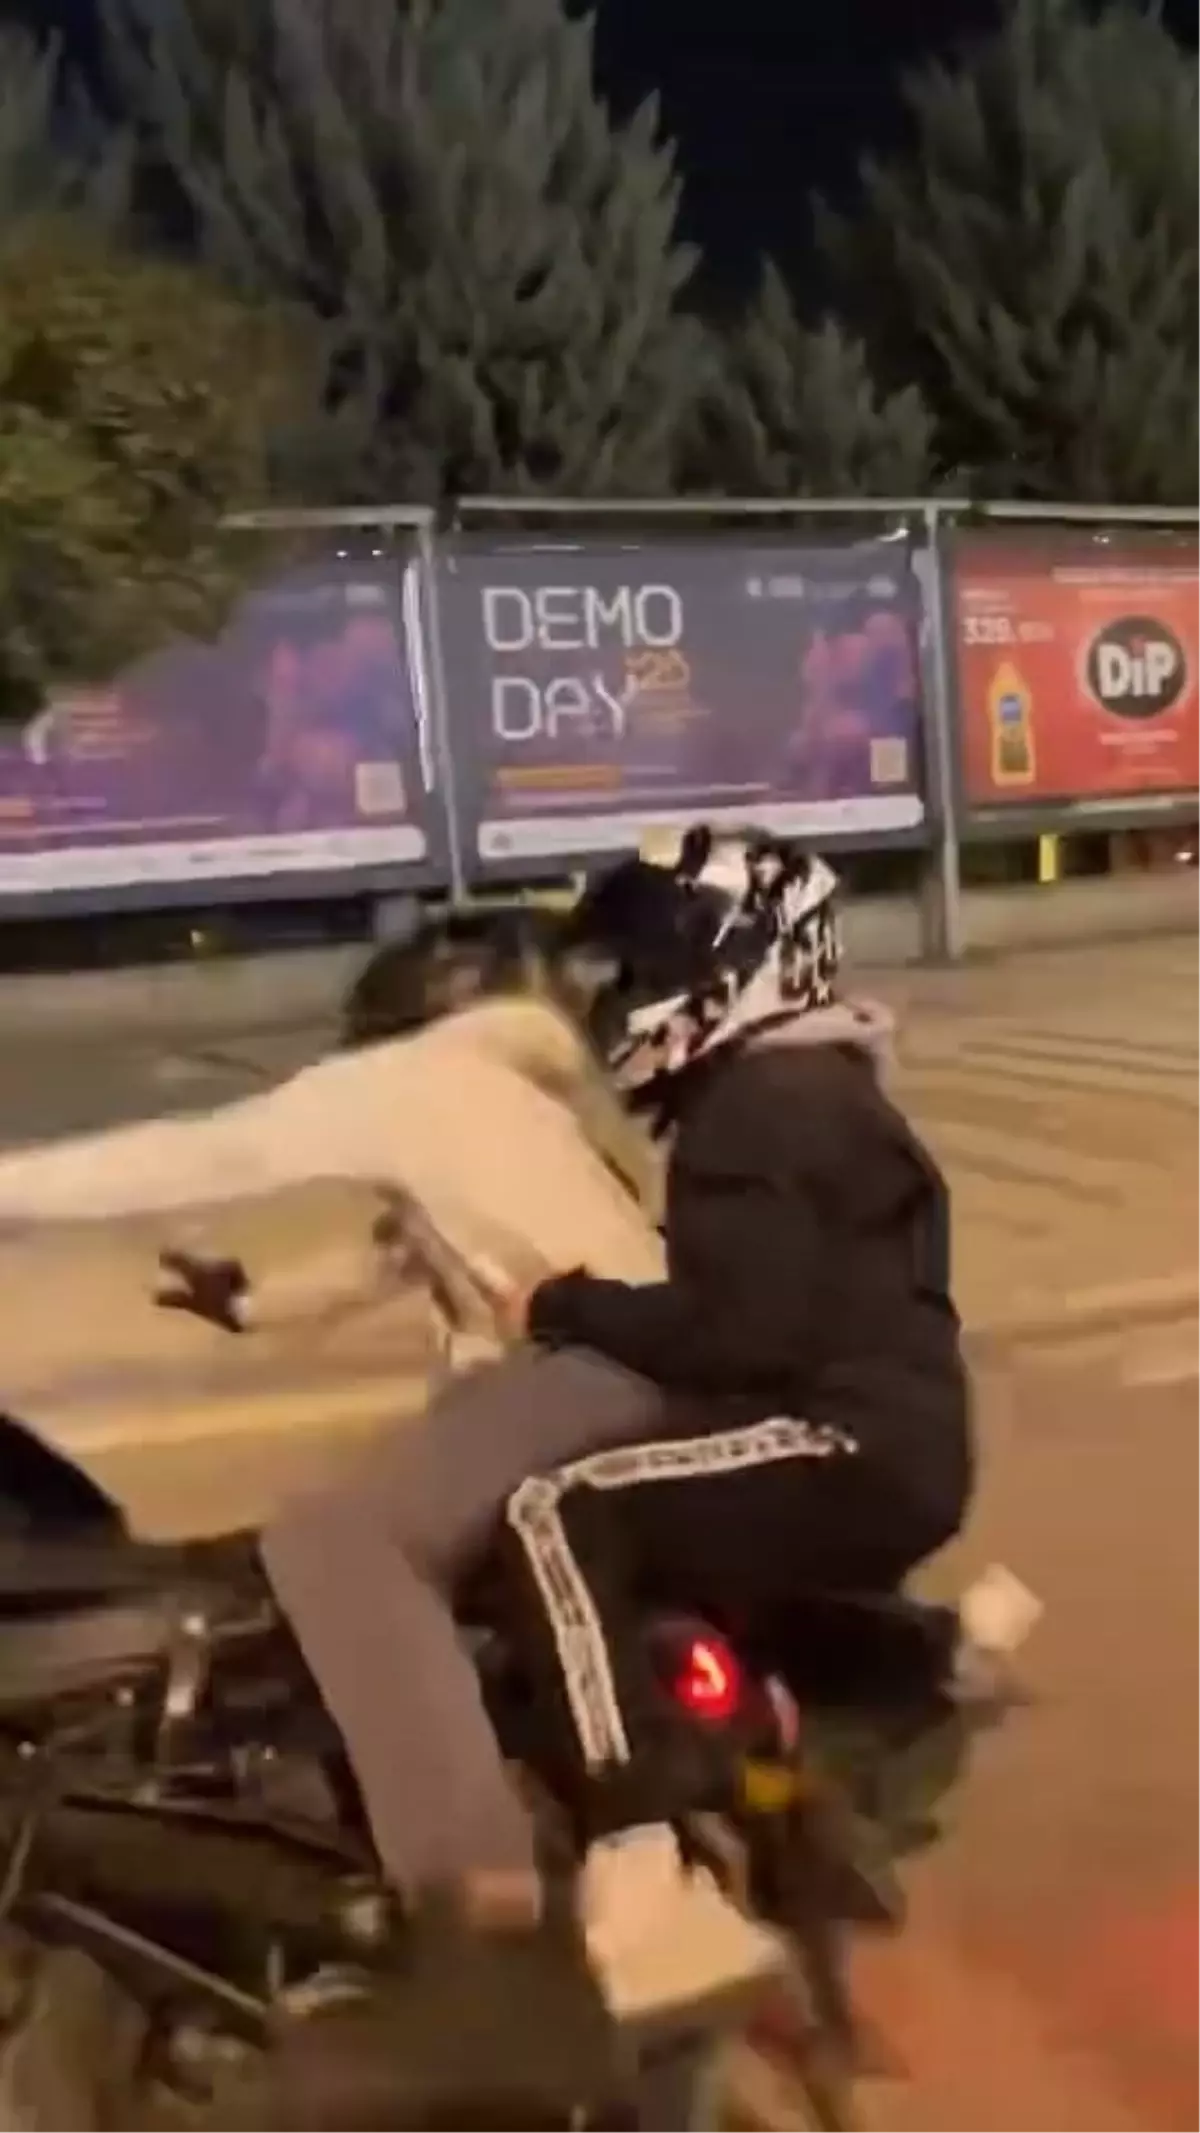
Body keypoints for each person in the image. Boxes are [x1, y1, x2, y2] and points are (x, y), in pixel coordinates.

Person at [483, 823, 978, 1820]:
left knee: (554, 1511)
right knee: (654, 1487)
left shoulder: (758, 1104)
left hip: (843, 1439)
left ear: (733, 967)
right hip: (900, 1442)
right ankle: (870, 1671)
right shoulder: (815, 1087)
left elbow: (738, 1335)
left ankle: (624, 1809)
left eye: (644, 971)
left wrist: (560, 1306)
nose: (622, 999)